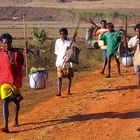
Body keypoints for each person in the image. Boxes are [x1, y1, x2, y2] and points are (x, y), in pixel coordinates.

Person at [0, 33, 25, 133]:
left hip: (15, 80)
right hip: (4, 80)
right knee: (4, 101)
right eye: (5, 43)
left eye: (9, 43)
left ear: (11, 42)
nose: (7, 45)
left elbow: (21, 64)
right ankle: (6, 125)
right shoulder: (0, 54)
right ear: (2, 43)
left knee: (16, 101)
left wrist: (19, 57)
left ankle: (15, 119)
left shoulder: (17, 53)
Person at [54, 28, 75, 96]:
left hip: (67, 63)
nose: (62, 36)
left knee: (69, 77)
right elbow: (56, 52)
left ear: (66, 34)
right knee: (59, 77)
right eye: (61, 34)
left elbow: (73, 52)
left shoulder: (70, 42)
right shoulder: (57, 41)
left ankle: (68, 90)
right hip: (59, 62)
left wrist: (73, 43)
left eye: (64, 34)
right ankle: (59, 91)